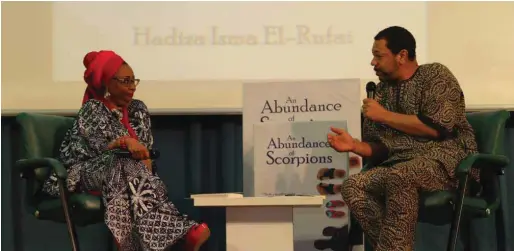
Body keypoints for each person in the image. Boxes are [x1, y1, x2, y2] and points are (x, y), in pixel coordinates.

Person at [325, 26, 478, 251]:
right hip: (400, 164)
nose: (372, 62)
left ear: (402, 55)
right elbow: (384, 149)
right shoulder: (383, 91)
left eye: (378, 56)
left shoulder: (435, 75)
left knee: (400, 176)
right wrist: (356, 146)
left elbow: (436, 128)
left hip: (447, 163)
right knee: (354, 185)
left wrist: (383, 115)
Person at [41, 50, 210, 251]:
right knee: (121, 162)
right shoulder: (93, 109)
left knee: (126, 172)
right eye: (125, 81)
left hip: (125, 177)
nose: (132, 87)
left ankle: (130, 246)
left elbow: (145, 153)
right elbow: (104, 150)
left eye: (134, 81)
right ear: (107, 83)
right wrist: (126, 142)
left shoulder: (137, 110)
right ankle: (180, 232)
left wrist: (137, 155)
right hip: (79, 174)